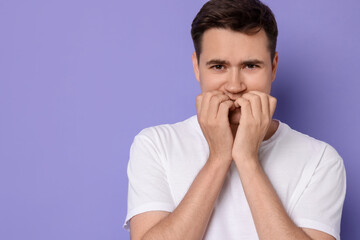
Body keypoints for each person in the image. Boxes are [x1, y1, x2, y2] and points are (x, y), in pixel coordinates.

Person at [123, 0, 346, 239]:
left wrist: (247, 159)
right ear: (197, 68)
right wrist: (218, 158)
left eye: (250, 66)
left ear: (273, 67)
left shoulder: (321, 160)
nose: (235, 86)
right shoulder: (155, 145)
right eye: (218, 66)